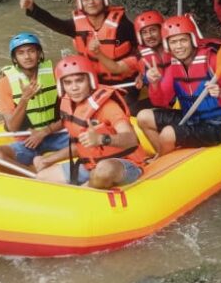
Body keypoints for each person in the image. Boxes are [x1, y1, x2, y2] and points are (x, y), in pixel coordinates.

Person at [136, 14, 221, 155]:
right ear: (167, 45)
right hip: (189, 117)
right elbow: (161, 102)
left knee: (168, 134)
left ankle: (162, 159)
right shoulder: (173, 66)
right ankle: (163, 155)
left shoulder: (213, 61)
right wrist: (155, 84)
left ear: (193, 40)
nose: (179, 47)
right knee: (143, 117)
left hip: (216, 125)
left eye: (183, 40)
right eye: (173, 42)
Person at [32, 55, 147, 188]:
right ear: (61, 86)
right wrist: (48, 160)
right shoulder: (69, 105)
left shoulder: (108, 106)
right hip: (91, 165)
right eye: (68, 83)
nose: (74, 88)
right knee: (42, 177)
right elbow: (79, 146)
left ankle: (83, 193)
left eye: (79, 81)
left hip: (125, 165)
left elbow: (131, 138)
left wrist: (102, 139)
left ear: (90, 80)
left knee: (104, 169)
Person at [20, 0, 139, 89]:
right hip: (94, 83)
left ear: (104, 0)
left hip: (126, 83)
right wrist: (32, 8)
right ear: (80, 3)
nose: (91, 2)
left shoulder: (123, 25)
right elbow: (54, 23)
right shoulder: (75, 25)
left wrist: (143, 74)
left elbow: (142, 49)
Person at [0, 32, 70, 169]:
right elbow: (12, 127)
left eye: (31, 51)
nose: (27, 57)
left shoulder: (56, 73)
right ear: (14, 58)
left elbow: (72, 114)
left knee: (93, 140)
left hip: (58, 133)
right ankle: (33, 175)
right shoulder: (4, 83)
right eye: (21, 53)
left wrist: (44, 131)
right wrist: (24, 99)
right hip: (27, 140)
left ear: (39, 54)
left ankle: (46, 163)